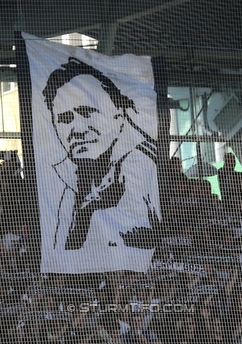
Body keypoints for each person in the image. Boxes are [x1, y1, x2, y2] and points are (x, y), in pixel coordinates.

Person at [41, 56, 161, 271]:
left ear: (118, 114)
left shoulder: (138, 163)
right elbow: (61, 250)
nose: (77, 128)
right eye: (65, 119)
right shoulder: (69, 176)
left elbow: (132, 240)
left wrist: (90, 212)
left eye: (87, 113)